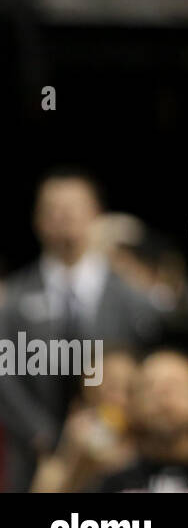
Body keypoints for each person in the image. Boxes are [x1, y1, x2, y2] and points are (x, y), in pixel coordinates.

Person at [0, 170, 162, 492]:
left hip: (123, 455)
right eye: (53, 209)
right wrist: (43, 435)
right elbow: (4, 373)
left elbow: (153, 360)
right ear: (37, 220)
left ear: (96, 215)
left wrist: (122, 426)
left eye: (74, 207)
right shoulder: (14, 299)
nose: (63, 216)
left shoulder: (134, 297)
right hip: (36, 457)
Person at [96, 351, 188, 493]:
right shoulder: (111, 480)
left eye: (175, 387)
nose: (163, 398)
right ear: (132, 409)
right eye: (149, 388)